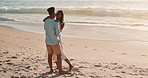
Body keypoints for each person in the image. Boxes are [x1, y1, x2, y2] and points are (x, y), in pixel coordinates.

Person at [43, 7, 66, 74]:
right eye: (55, 12)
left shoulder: (46, 21)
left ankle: (51, 70)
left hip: (47, 41)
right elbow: (57, 33)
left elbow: (45, 29)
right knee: (59, 55)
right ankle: (60, 70)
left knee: (49, 55)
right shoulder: (55, 22)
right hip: (54, 42)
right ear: (53, 13)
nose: (56, 14)